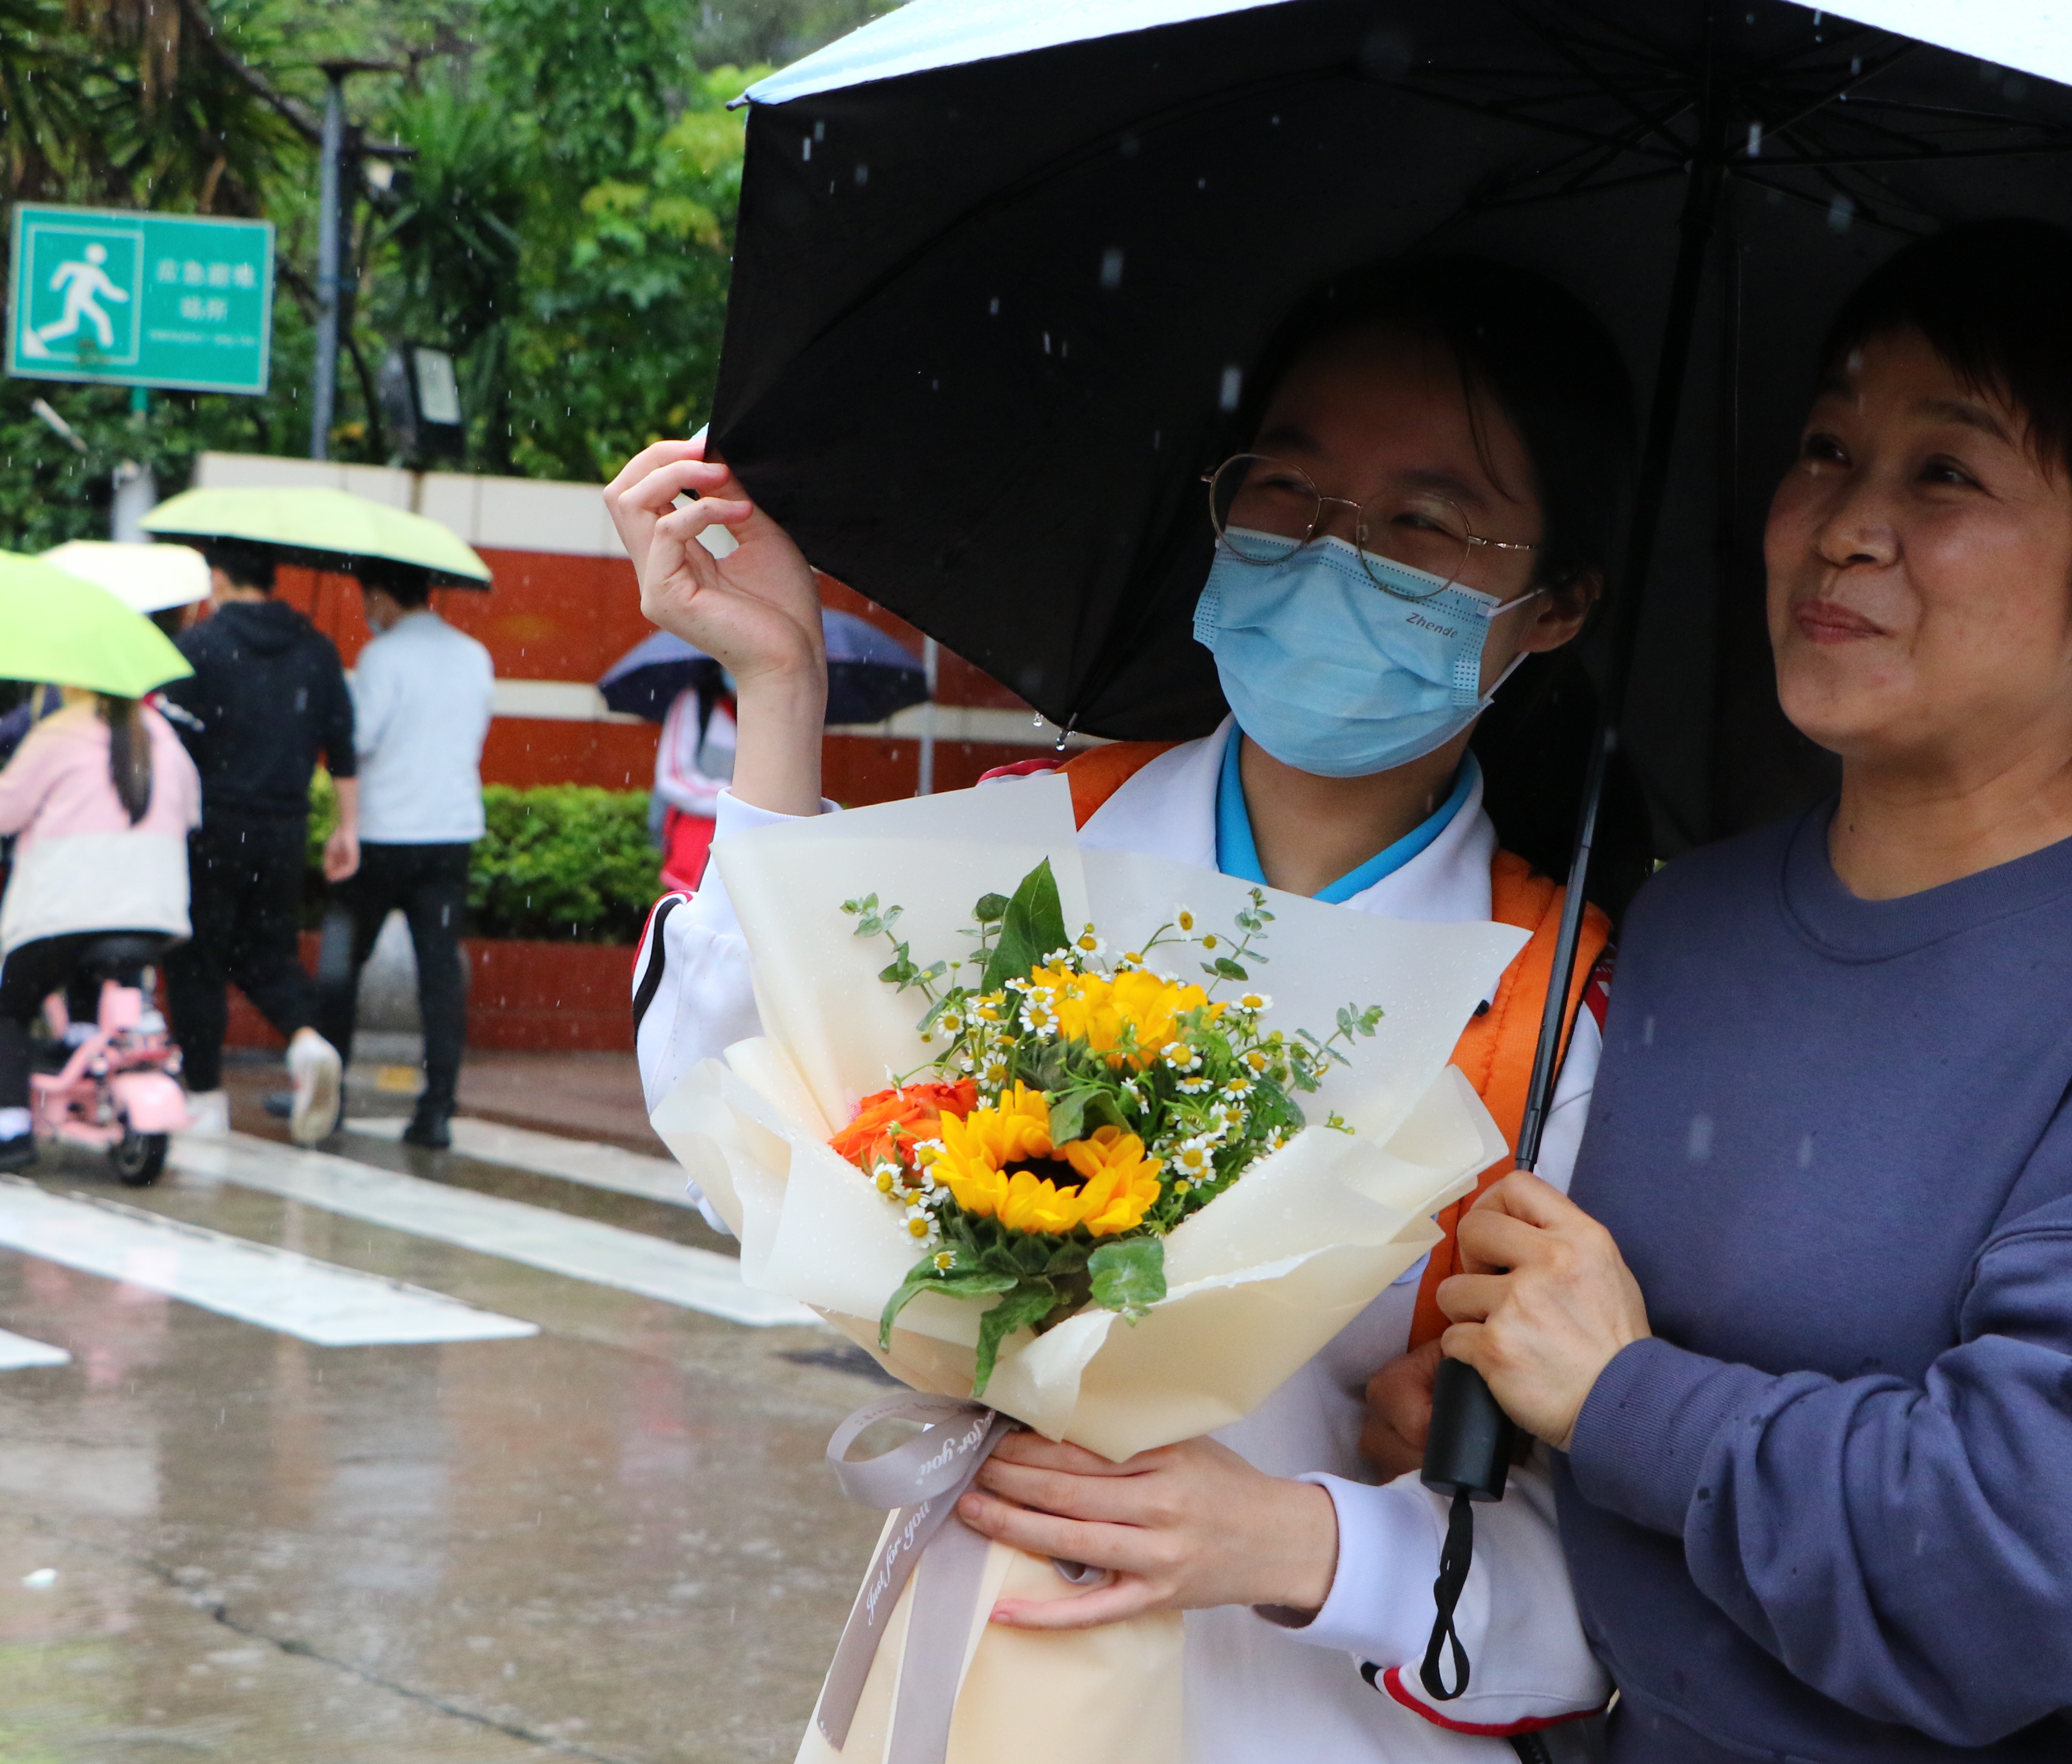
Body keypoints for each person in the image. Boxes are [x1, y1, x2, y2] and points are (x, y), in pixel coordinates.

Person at [1397, 223, 2072, 1763]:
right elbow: (1584, 1439)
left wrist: (1622, 1403)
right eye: (1825, 448)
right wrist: (1483, 1427)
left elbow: (2058, 1572)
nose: (1843, 526)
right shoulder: (1685, 922)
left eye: (1948, 473)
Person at [616, 259, 1638, 1758]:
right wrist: (779, 686)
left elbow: (1594, 1612)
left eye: (1423, 521)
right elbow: (732, 1122)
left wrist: (1299, 1546)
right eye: (1288, 490)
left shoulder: (1562, 1012)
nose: (1333, 553)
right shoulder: (1034, 848)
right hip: (967, 1689)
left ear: (1556, 613)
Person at [0, 688, 200, 1171]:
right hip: (155, 911)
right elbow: (190, 813)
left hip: (63, 912)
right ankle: (80, 1038)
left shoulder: (58, 734)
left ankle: (9, 1130)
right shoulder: (163, 734)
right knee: (96, 970)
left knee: (9, 1009)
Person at [160, 538, 359, 1146]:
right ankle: (307, 1041)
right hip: (283, 827)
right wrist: (346, 828)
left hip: (210, 827)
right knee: (266, 951)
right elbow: (344, 746)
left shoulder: (197, 647)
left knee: (198, 959)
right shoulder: (316, 649)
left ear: (218, 579)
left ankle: (205, 1097)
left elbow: (171, 748)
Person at [313, 558, 494, 1150]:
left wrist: (338, 704)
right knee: (439, 978)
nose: (367, 615)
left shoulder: (383, 659)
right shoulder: (475, 656)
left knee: (341, 967)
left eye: (368, 602)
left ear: (383, 598)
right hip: (450, 836)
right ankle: (436, 1109)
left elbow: (358, 740)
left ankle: (328, 1100)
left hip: (384, 837)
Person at [650, 671, 737, 893]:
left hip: (748, 857)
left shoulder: (777, 714)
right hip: (695, 854)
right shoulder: (698, 704)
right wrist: (735, 799)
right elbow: (671, 777)